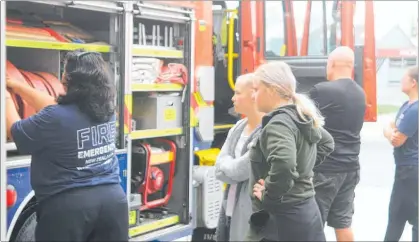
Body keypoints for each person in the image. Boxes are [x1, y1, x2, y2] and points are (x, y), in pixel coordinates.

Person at [5, 50, 128, 242]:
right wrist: (17, 85)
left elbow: (16, 132)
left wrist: (4, 96)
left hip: (70, 210)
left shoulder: (55, 118)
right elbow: (53, 107)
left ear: (68, 79)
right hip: (113, 204)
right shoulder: (107, 110)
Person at [247, 61, 334, 241]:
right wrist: (301, 170)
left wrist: (269, 193)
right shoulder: (300, 115)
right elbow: (327, 143)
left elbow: (285, 165)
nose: (253, 95)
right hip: (306, 212)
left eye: (256, 89)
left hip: (281, 220)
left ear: (271, 89)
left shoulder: (279, 123)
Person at [308, 46, 366, 242]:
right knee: (343, 224)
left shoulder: (322, 90)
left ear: (331, 64)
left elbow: (301, 120)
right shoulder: (360, 93)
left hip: (326, 169)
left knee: (313, 225)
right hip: (350, 167)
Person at [215, 73, 265, 242]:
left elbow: (242, 170)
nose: (233, 98)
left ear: (253, 94)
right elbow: (218, 168)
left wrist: (226, 165)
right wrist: (228, 167)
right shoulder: (238, 127)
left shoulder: (266, 132)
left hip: (250, 215)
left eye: (237, 93)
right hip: (230, 211)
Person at [383, 66, 418, 242]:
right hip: (404, 168)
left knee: (413, 217)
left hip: (412, 170)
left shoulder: (415, 109)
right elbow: (393, 128)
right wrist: (391, 131)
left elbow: (397, 139)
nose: (400, 81)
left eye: (403, 78)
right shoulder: (407, 105)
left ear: (413, 82)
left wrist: (389, 131)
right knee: (396, 214)